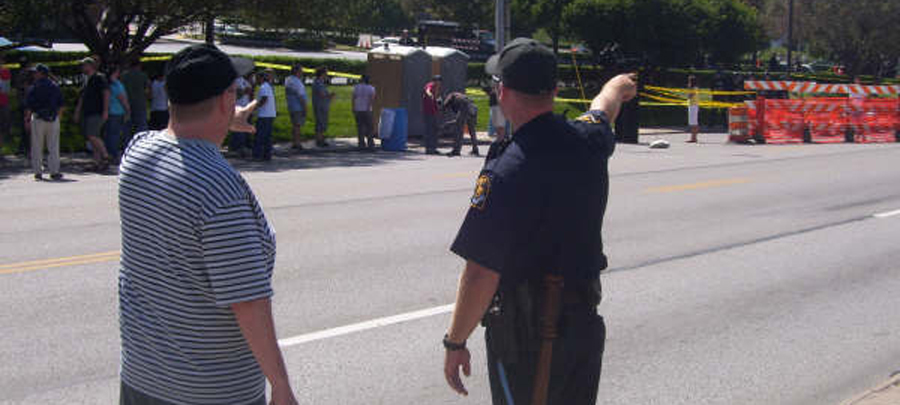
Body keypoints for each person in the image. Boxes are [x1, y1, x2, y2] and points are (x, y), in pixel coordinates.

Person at [441, 37, 637, 405]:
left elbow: (481, 272)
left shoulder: (508, 170)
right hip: (581, 331)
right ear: (555, 90)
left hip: (527, 341)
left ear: (503, 91)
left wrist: (455, 341)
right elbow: (604, 110)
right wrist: (617, 86)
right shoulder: (587, 138)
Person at [117, 44, 297, 405]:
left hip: (142, 376)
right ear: (226, 98)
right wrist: (280, 385)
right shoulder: (220, 189)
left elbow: (182, 134)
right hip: (211, 390)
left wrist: (222, 119)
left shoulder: (137, 154)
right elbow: (247, 301)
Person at [25, 64, 64, 181]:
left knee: (37, 146)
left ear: (41, 73)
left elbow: (29, 106)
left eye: (36, 72)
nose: (34, 74)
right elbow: (61, 105)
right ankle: (54, 171)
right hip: (53, 118)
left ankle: (38, 171)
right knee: (53, 146)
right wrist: (58, 118)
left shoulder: (34, 87)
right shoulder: (55, 86)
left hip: (38, 118)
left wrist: (27, 120)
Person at [74, 57, 111, 171]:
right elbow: (82, 98)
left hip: (97, 111)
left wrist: (105, 110)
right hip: (88, 112)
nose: (82, 67)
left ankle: (105, 156)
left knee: (92, 135)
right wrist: (78, 111)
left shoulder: (99, 78)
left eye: (84, 65)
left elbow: (106, 93)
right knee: (92, 136)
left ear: (90, 66)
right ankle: (97, 162)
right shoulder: (86, 80)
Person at [106, 66, 131, 164]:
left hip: (110, 112)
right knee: (117, 135)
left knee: (110, 135)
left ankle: (111, 154)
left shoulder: (107, 84)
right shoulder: (116, 84)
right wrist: (128, 111)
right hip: (118, 112)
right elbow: (122, 99)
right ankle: (115, 156)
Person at [120, 60, 150, 144]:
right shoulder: (143, 75)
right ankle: (141, 144)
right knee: (141, 125)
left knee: (127, 125)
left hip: (126, 103)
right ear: (139, 66)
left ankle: (127, 144)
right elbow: (147, 89)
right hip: (140, 102)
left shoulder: (124, 75)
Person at [442, 91, 479, 157]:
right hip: (473, 107)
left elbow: (458, 121)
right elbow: (458, 120)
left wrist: (447, 124)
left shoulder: (451, 97)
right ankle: (475, 149)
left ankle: (456, 150)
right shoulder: (460, 96)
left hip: (465, 107)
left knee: (459, 131)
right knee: (472, 130)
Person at [253, 69, 277, 161]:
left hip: (264, 115)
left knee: (260, 136)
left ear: (261, 78)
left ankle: (257, 155)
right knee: (267, 137)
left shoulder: (263, 87)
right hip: (270, 114)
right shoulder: (268, 86)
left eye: (257, 78)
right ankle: (267, 155)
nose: (256, 80)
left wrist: (255, 107)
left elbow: (264, 99)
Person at [229, 73, 254, 157]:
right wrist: (243, 91)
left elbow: (250, 91)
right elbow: (235, 94)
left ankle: (243, 146)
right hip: (237, 108)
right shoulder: (234, 80)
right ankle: (236, 148)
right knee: (238, 129)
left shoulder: (244, 80)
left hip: (245, 107)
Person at [285, 65, 308, 151]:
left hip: (291, 106)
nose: (302, 73)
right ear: (297, 72)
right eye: (301, 71)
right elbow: (301, 96)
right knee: (298, 126)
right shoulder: (297, 82)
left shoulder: (288, 80)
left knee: (294, 125)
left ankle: (294, 142)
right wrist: (305, 108)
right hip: (298, 106)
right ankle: (297, 143)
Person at [351, 75, 377, 150]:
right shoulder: (371, 88)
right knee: (369, 127)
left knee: (360, 127)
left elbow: (353, 98)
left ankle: (361, 143)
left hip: (358, 109)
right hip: (367, 110)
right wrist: (368, 108)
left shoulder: (356, 87)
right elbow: (371, 99)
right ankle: (370, 143)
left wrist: (353, 107)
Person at [311, 67, 335, 148]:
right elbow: (322, 94)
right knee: (320, 123)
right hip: (320, 106)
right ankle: (319, 140)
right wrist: (330, 95)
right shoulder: (318, 82)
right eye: (326, 73)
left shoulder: (321, 82)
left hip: (323, 106)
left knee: (322, 123)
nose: (327, 75)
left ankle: (321, 139)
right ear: (322, 74)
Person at [422, 75, 442, 154]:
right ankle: (428, 149)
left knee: (435, 130)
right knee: (429, 130)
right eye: (438, 81)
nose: (439, 83)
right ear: (434, 80)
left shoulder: (437, 88)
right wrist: (429, 94)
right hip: (428, 112)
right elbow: (428, 90)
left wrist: (438, 101)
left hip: (434, 112)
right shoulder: (430, 85)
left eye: (440, 81)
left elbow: (436, 98)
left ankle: (433, 148)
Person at [0, 54, 10, 150]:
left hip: (3, 102)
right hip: (3, 102)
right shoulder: (5, 71)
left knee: (2, 127)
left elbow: (6, 89)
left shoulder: (5, 71)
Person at [686, 75, 700, 143]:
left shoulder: (693, 88)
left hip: (693, 105)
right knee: (693, 122)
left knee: (693, 122)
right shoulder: (695, 88)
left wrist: (688, 89)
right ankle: (693, 137)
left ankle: (693, 138)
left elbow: (689, 96)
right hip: (693, 105)